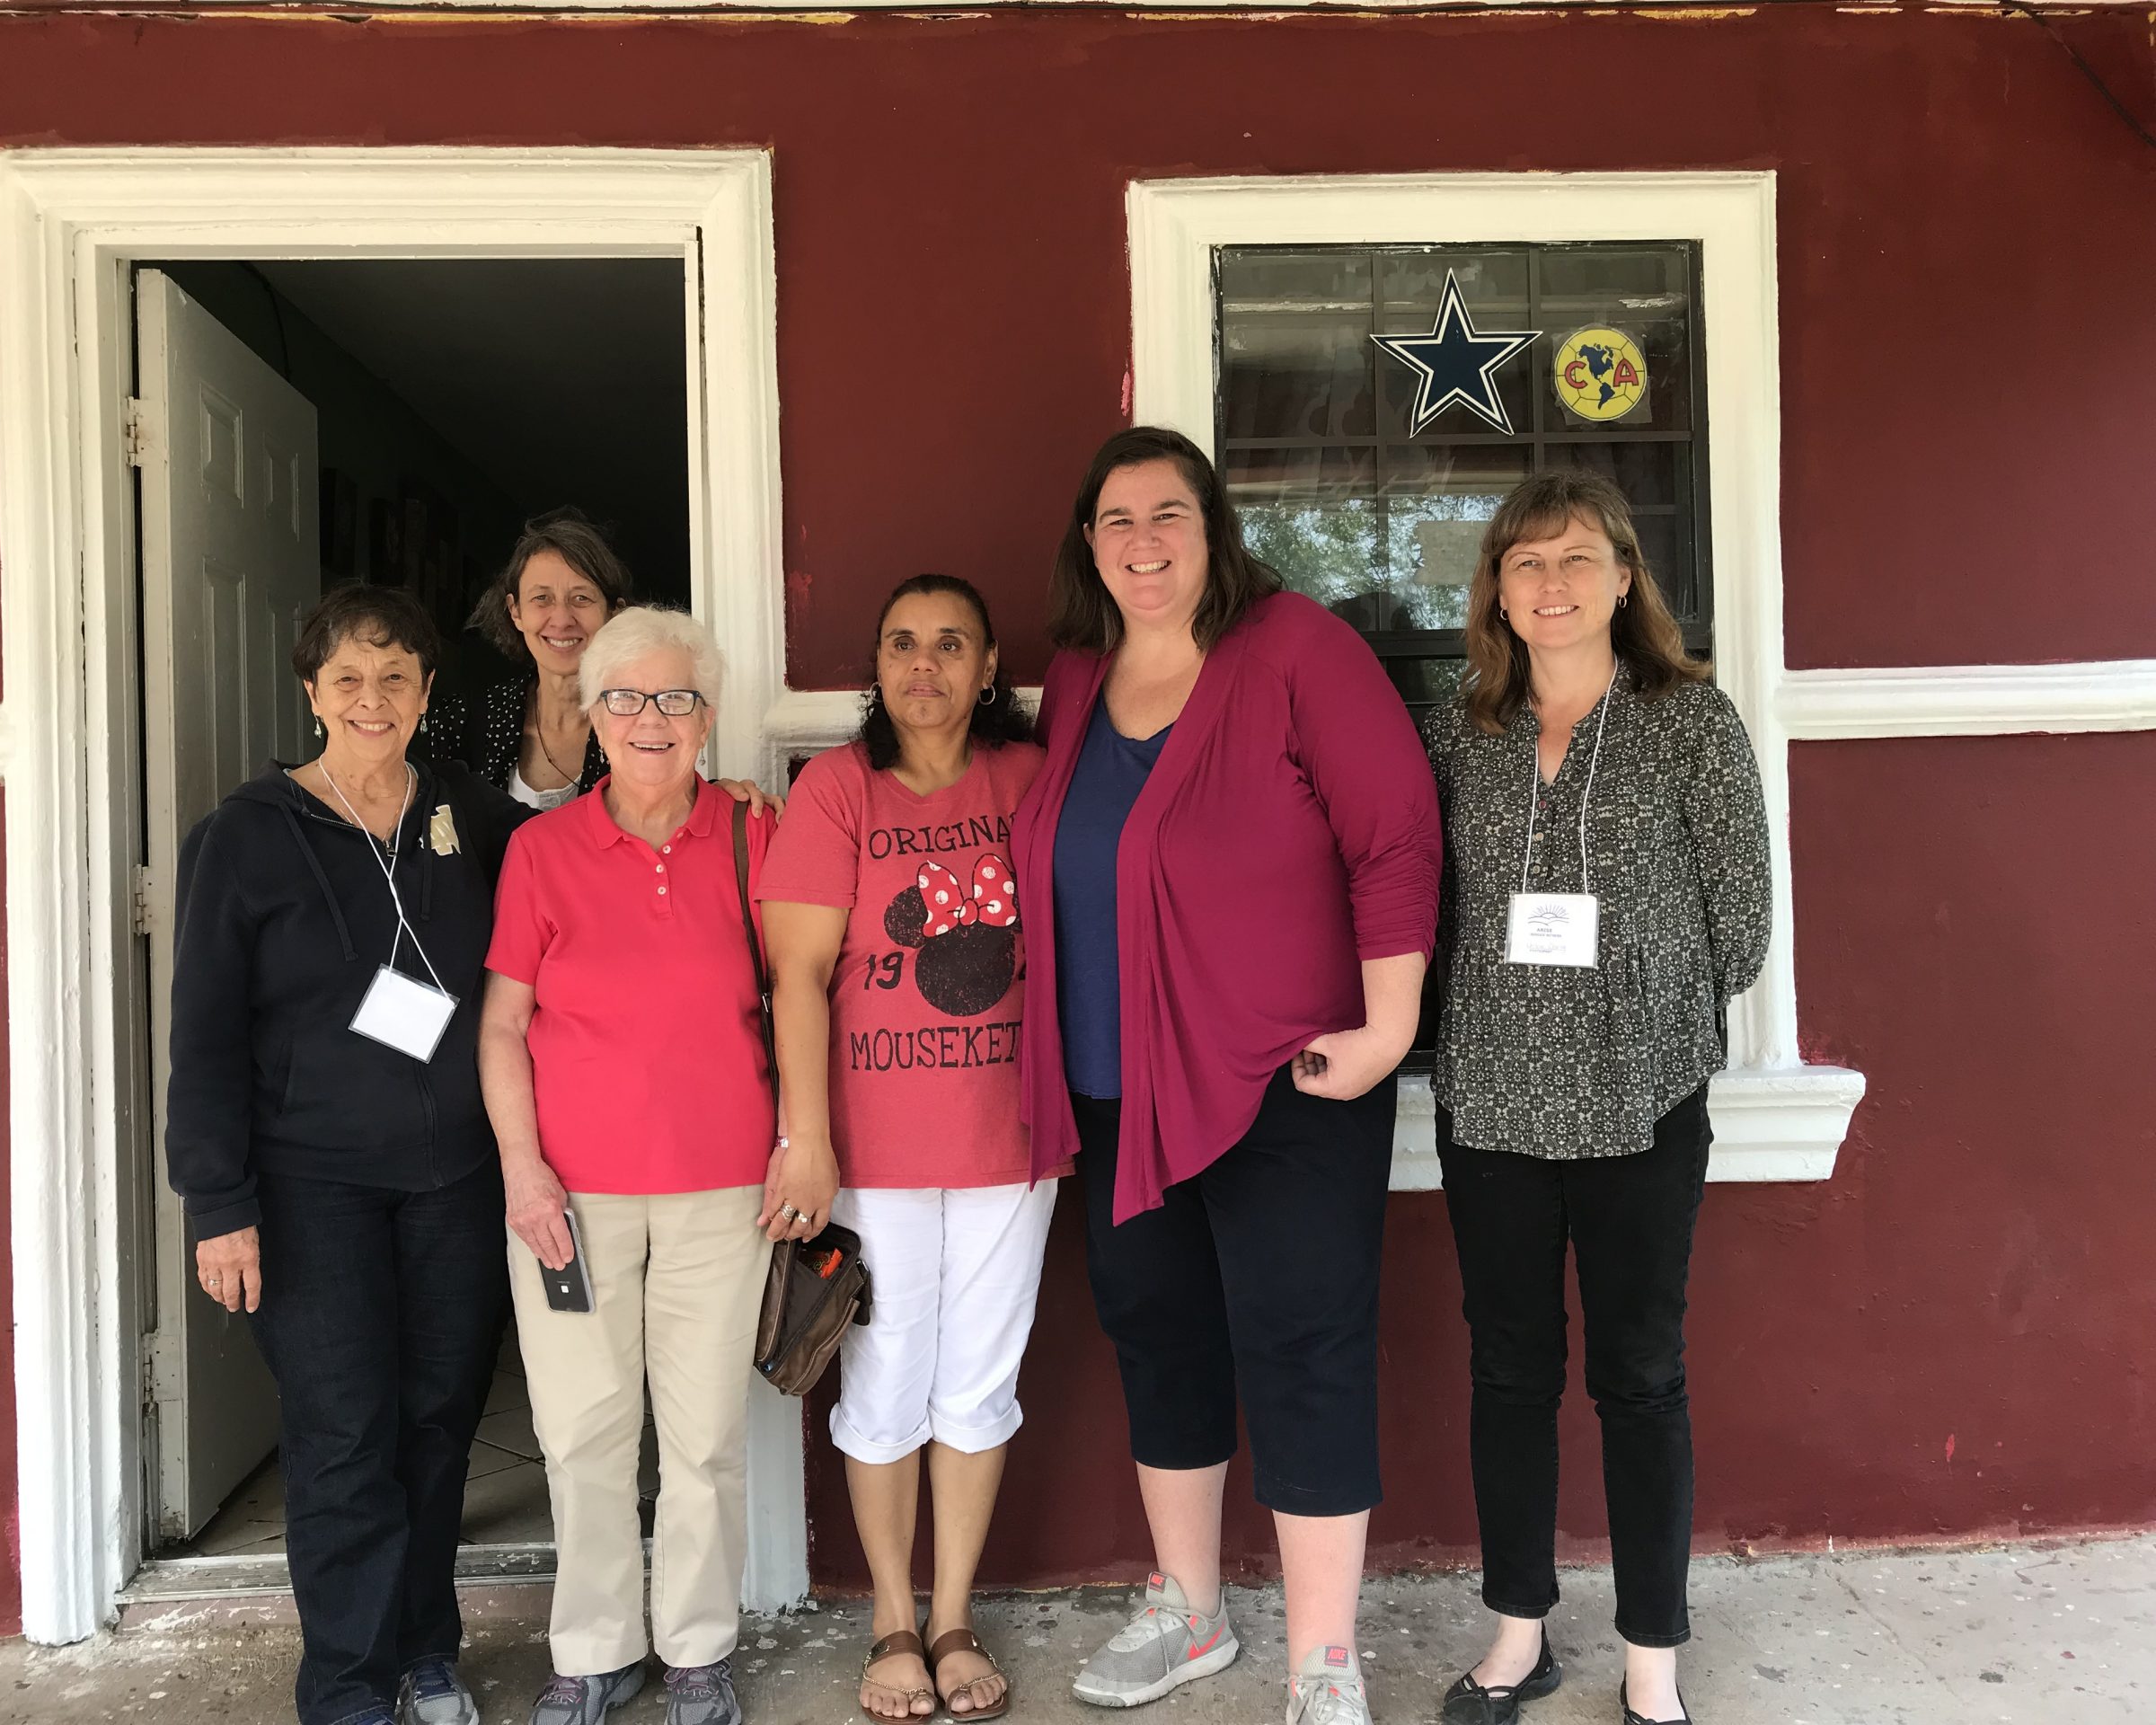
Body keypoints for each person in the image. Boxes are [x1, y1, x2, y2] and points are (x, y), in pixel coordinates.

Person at [1012, 428, 1443, 1725]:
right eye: (1115, 521)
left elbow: (1396, 834)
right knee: (1161, 1335)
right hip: (1114, 1084)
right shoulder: (1078, 675)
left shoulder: (1297, 649)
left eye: (1168, 515)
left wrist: (1386, 1027)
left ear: (1214, 530)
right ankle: (1190, 1608)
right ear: (1088, 544)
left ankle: (1322, 1656)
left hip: (1286, 1080)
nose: (1142, 543)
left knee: (1305, 1346)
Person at [1422, 471, 1770, 1725]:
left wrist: (1634, 1006)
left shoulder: (1692, 721)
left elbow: (1743, 925)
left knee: (1640, 1375)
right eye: (1525, 564)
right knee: (1509, 1372)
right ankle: (1519, 1634)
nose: (1551, 585)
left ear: (1626, 576)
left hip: (1640, 1101)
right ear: (1497, 594)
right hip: (1495, 1105)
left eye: (1577, 559)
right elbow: (1429, 905)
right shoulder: (1461, 730)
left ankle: (1651, 1660)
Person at [166, 583, 527, 1725]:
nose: (373, 700)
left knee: (433, 1426)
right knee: (343, 1434)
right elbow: (205, 1034)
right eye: (347, 679)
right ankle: (350, 1686)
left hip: (457, 1185)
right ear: (310, 691)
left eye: (396, 677)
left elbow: (578, 899)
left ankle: (425, 1653)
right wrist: (215, 1200)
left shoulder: (473, 816)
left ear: (427, 691)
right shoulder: (245, 837)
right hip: (307, 1185)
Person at [756, 574, 1058, 1725]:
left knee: (979, 1383)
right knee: (883, 1381)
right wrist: (807, 1140)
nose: (923, 665)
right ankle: (891, 1618)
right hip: (870, 1151)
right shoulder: (837, 789)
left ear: (989, 668)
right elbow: (798, 978)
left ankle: (953, 1618)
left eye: (950, 644)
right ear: (875, 668)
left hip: (1010, 1141)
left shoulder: (1026, 777)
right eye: (901, 644)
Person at [478, 606, 776, 1725]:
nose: (651, 721)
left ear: (707, 715)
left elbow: (801, 998)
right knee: (582, 1433)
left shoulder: (757, 835)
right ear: (593, 713)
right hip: (572, 1199)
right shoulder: (540, 852)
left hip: (723, 1191)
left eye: (676, 699)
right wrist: (522, 1166)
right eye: (627, 698)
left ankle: (697, 1648)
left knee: (702, 1441)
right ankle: (595, 1649)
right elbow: (503, 1025)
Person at [421, 509, 632, 809]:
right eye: (541, 598)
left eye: (581, 598)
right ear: (515, 611)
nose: (561, 619)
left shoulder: (641, 721)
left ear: (613, 613)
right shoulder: (463, 721)